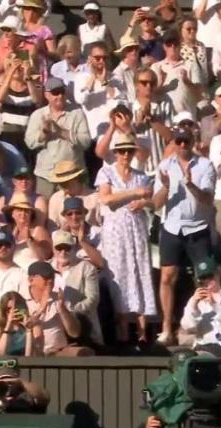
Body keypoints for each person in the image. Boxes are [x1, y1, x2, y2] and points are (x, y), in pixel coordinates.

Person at [153, 125, 218, 345]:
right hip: (172, 227)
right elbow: (156, 204)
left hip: (198, 227)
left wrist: (190, 185)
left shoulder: (206, 165)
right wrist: (165, 187)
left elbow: (207, 200)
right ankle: (166, 328)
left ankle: (203, 326)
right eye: (178, 141)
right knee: (167, 277)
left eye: (186, 141)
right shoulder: (164, 166)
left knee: (205, 277)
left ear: (193, 141)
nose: (182, 145)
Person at [96, 132, 156, 346]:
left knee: (139, 274)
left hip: (136, 230)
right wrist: (134, 194)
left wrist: (143, 203)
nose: (125, 155)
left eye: (129, 151)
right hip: (115, 233)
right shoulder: (107, 173)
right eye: (121, 151)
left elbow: (153, 202)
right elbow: (107, 200)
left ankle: (142, 334)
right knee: (120, 275)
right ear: (115, 153)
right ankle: (122, 332)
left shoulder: (141, 175)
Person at [25, 77, 91, 198]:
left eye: (62, 92)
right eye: (55, 93)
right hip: (46, 176)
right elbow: (30, 142)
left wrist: (61, 132)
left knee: (74, 211)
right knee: (45, 212)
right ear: (46, 95)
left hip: (73, 175)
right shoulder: (38, 115)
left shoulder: (77, 113)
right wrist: (44, 133)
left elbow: (86, 142)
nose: (60, 96)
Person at [24, 260, 94, 356]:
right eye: (46, 277)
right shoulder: (22, 300)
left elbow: (75, 333)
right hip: (32, 351)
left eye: (52, 277)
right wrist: (41, 308)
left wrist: (62, 309)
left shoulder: (60, 299)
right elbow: (24, 328)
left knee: (84, 353)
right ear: (31, 280)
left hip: (58, 352)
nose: (50, 280)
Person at [0, 290, 32, 356]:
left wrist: (29, 331)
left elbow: (30, 357)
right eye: (9, 309)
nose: (13, 312)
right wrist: (7, 327)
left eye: (16, 308)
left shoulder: (33, 328)